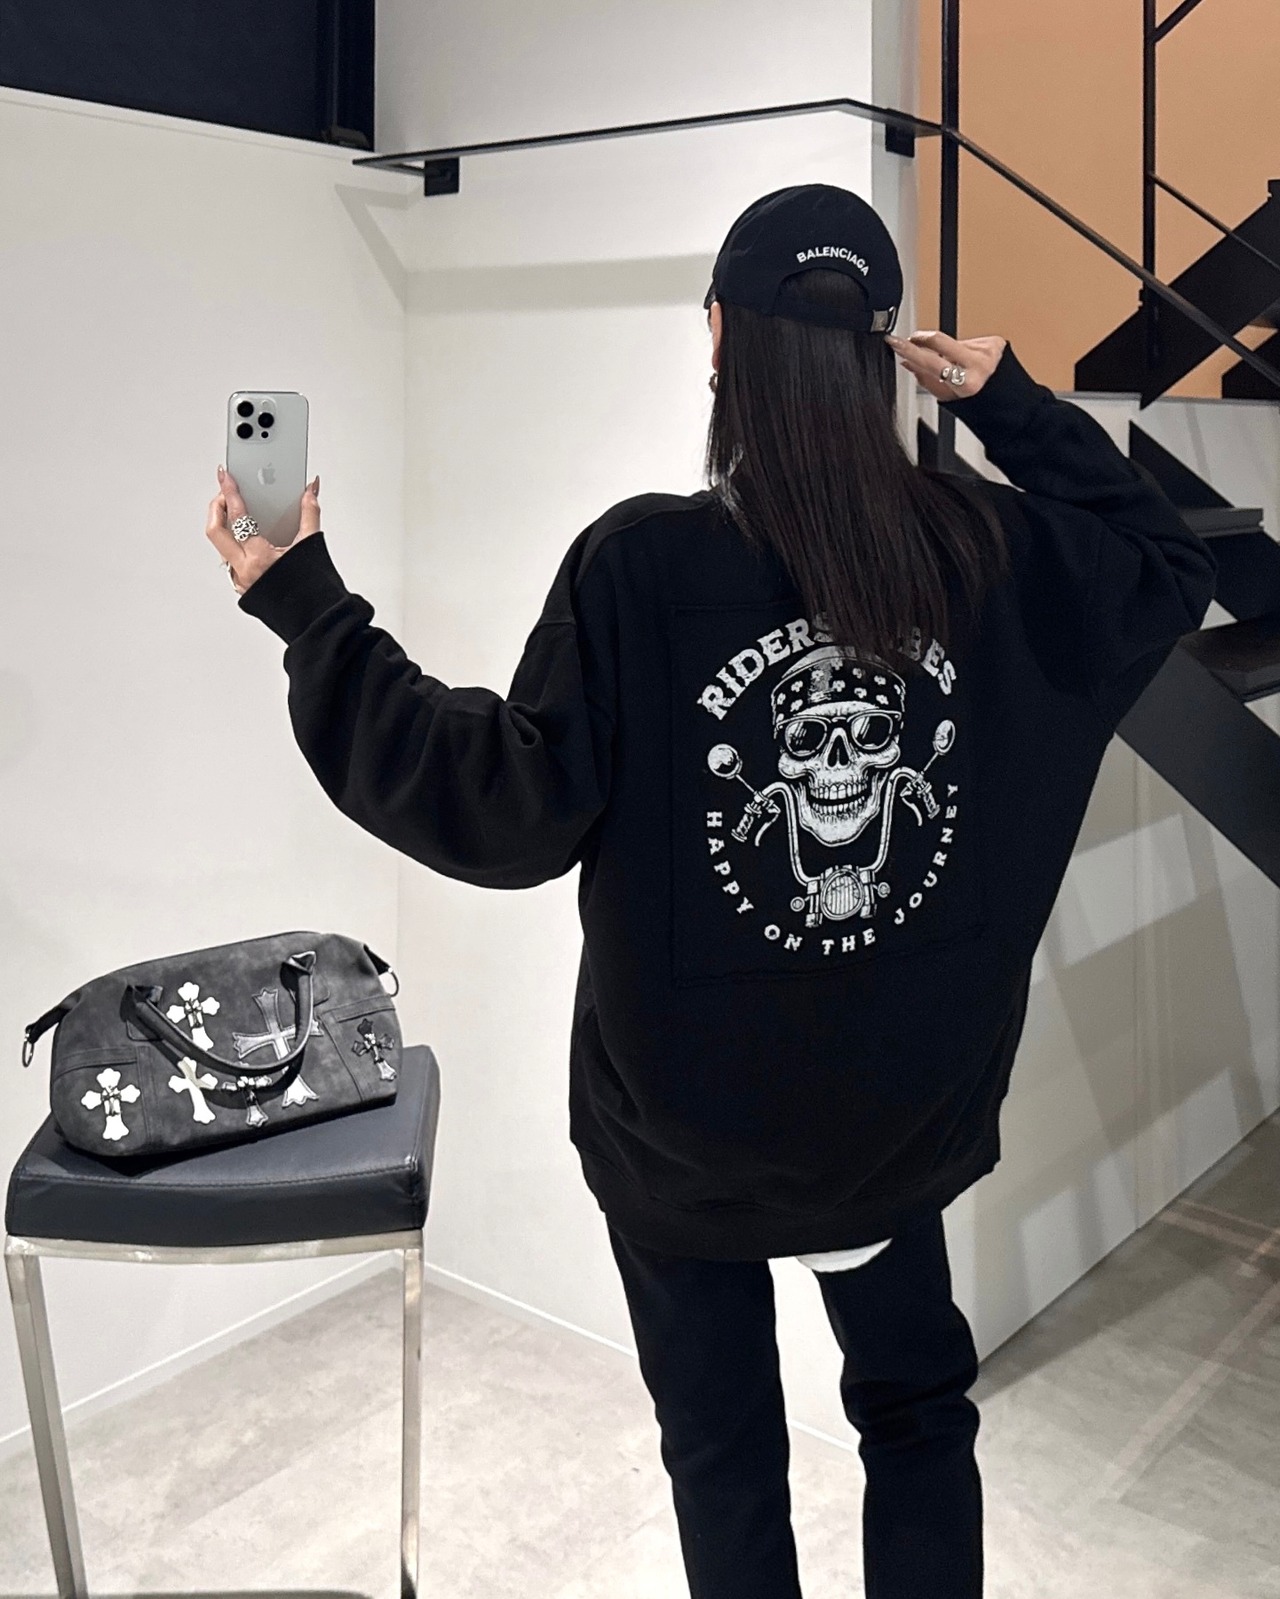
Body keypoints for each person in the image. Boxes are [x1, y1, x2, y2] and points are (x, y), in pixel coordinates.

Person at [205, 184, 1216, 1599]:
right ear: (882, 351)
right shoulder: (986, 551)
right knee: (919, 1420)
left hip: (685, 1145)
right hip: (894, 1126)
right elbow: (1171, 565)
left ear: (720, 339)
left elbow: (499, 805)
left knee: (724, 1455)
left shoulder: (644, 566)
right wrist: (1012, 406)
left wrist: (308, 606)